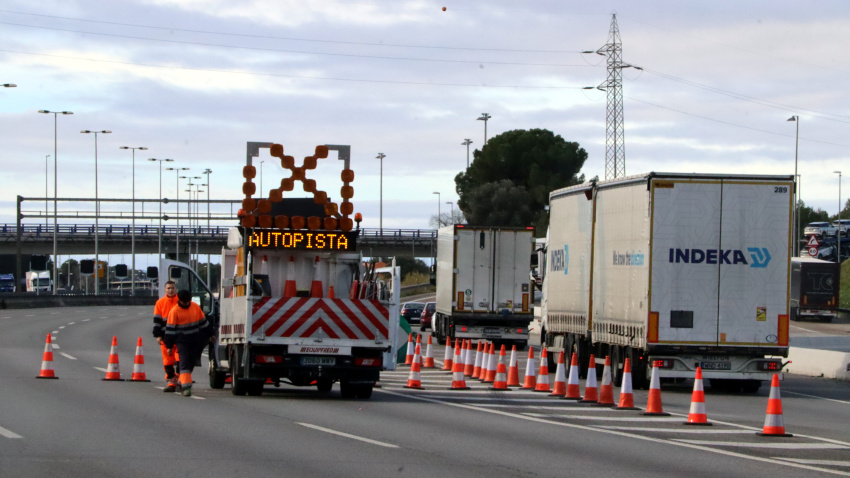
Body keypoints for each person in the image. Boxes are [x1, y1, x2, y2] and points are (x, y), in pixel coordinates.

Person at [163, 290, 215, 397]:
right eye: (184, 302)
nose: (186, 303)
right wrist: (169, 346)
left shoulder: (195, 307)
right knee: (184, 363)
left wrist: (211, 334)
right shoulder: (174, 311)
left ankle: (181, 381)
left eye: (187, 301)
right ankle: (186, 387)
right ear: (179, 300)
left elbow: (203, 323)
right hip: (182, 342)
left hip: (195, 340)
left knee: (191, 363)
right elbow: (170, 331)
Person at [152, 281, 181, 392]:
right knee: (167, 361)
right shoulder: (160, 303)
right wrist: (157, 335)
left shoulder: (180, 301)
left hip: (179, 336)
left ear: (176, 289)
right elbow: (157, 321)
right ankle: (171, 381)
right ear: (165, 290)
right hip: (165, 337)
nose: (170, 290)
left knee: (180, 359)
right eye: (168, 288)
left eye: (172, 288)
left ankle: (180, 380)